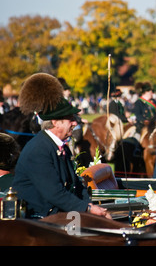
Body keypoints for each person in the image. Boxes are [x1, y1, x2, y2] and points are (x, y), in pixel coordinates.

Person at [12, 73, 110, 219]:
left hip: (61, 215)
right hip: (38, 221)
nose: (75, 123)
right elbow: (54, 193)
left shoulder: (60, 146)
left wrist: (91, 209)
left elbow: (76, 185)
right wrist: (88, 209)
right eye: (70, 119)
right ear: (55, 122)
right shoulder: (38, 150)